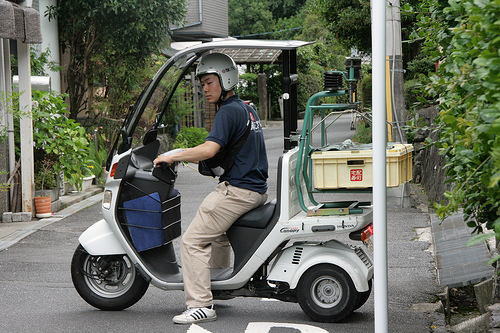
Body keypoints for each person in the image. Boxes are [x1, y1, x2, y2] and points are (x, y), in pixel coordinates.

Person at [153, 53, 268, 324]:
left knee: (192, 241)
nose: (204, 89)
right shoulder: (247, 108)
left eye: (209, 82)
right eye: (202, 84)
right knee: (216, 235)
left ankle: (201, 304)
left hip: (238, 191)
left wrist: (173, 156)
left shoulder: (228, 111)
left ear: (225, 78)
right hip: (255, 189)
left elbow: (210, 149)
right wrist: (181, 151)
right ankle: (218, 287)